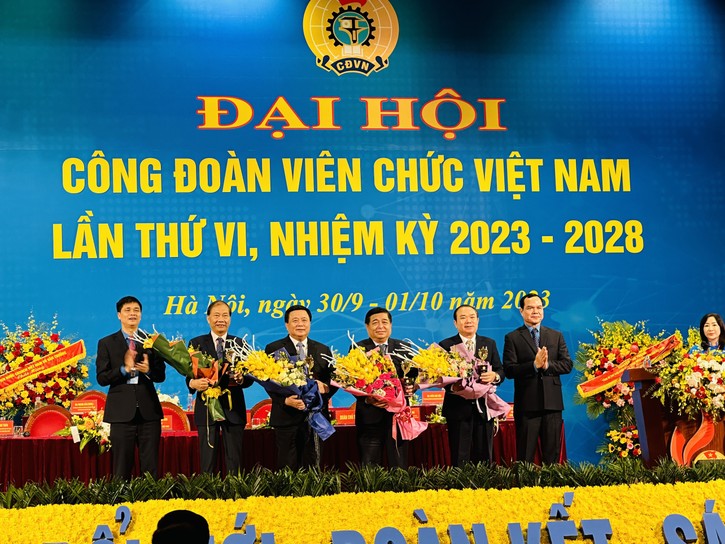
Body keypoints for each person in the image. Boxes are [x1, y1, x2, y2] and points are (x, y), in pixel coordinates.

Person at [96, 296, 166, 479]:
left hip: (148, 412)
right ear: (119, 315)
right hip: (121, 413)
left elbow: (161, 376)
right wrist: (124, 369)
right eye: (127, 310)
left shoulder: (153, 342)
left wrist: (148, 370)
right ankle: (121, 497)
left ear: (141, 315)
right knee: (121, 466)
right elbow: (102, 378)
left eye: (136, 310)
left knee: (150, 467)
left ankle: (150, 497)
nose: (132, 313)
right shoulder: (106, 343)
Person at [502, 292, 572, 464]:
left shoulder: (556, 335)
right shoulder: (512, 337)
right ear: (521, 311)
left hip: (552, 404)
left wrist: (547, 366)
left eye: (539, 307)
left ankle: (551, 482)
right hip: (527, 405)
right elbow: (509, 370)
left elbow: (567, 365)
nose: (535, 311)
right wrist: (533, 365)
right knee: (525, 457)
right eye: (530, 308)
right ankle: (524, 482)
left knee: (552, 458)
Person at [187, 300, 254, 475]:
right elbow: (189, 373)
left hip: (233, 408)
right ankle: (207, 491)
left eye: (225, 315)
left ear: (230, 319)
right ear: (208, 318)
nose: (221, 319)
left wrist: (241, 379)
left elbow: (250, 377)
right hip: (207, 408)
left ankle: (234, 491)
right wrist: (193, 383)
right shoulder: (196, 343)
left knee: (234, 461)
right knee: (207, 461)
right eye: (216, 315)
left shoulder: (239, 344)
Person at [264, 304, 334, 469]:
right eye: (295, 320)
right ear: (287, 325)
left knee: (313, 465)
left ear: (310, 323)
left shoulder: (323, 349)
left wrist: (326, 388)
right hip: (286, 416)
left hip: (315, 418)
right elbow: (267, 381)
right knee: (287, 466)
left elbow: (333, 380)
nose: (300, 324)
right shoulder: (274, 348)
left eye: (304, 320)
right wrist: (285, 401)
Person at [438, 304, 504, 466]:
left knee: (484, 456)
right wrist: (453, 387)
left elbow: (500, 370)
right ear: (455, 323)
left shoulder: (489, 343)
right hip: (458, 409)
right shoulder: (446, 345)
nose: (468, 321)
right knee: (459, 456)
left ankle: (484, 483)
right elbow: (438, 376)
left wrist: (494, 376)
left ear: (478, 320)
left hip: (484, 409)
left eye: (472, 317)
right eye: (463, 317)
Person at [354, 307, 416, 468]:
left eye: (384, 322)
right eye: (375, 322)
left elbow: (414, 377)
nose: (380, 326)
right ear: (367, 326)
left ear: (391, 325)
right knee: (370, 466)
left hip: (398, 416)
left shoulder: (403, 347)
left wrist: (412, 387)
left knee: (399, 464)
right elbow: (352, 381)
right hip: (370, 417)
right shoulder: (358, 349)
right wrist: (368, 399)